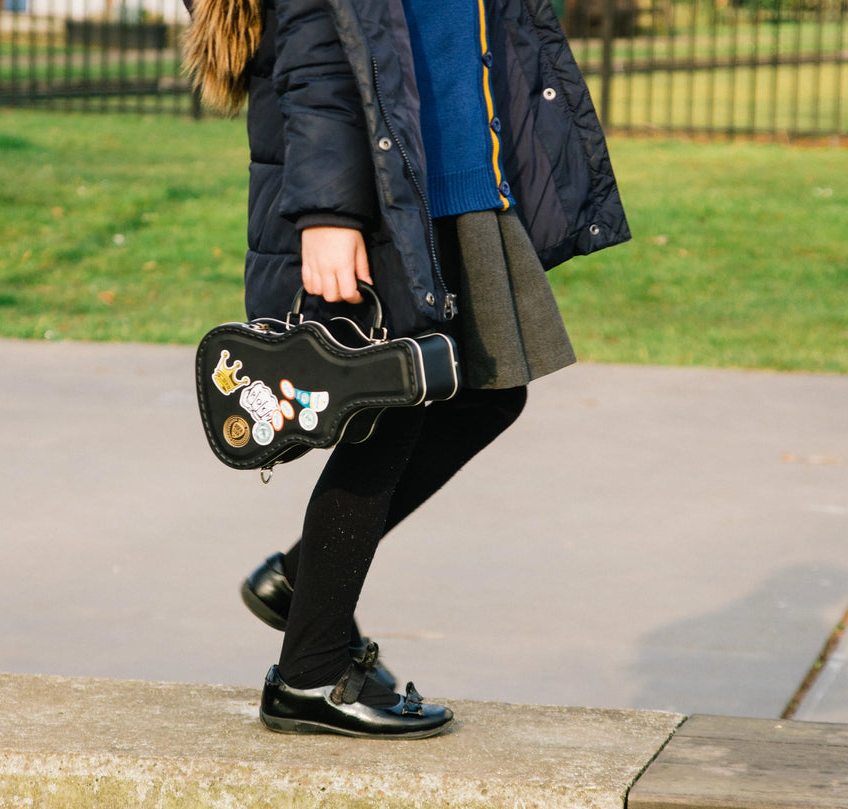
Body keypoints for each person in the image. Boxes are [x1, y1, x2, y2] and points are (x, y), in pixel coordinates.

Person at [184, 0, 630, 738]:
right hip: (389, 193)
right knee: (391, 410)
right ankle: (310, 672)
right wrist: (330, 212)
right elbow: (316, 47)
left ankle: (302, 583)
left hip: (455, 179)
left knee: (488, 393)